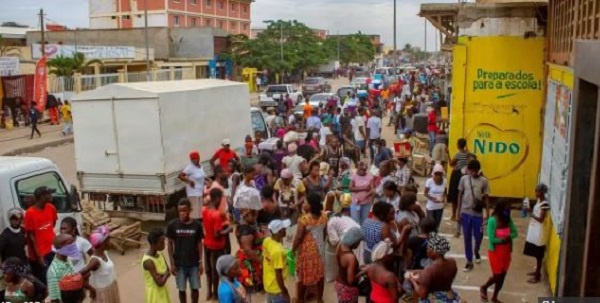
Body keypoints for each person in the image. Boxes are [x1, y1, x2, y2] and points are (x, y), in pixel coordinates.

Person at [167, 198, 204, 303]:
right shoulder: (172, 225)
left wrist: (200, 262)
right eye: (180, 211)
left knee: (195, 289)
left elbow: (199, 243)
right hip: (179, 265)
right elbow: (169, 244)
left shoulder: (197, 225)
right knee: (182, 290)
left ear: (190, 210)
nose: (182, 213)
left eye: (184, 210)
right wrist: (172, 263)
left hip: (194, 264)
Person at [292, 193, 328, 303]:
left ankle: (300, 299)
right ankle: (319, 299)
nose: (303, 204)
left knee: (302, 275)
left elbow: (298, 237)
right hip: (320, 249)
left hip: (307, 252)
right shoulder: (324, 215)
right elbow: (325, 233)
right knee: (320, 274)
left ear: (311, 205)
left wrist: (293, 249)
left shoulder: (304, 219)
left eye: (305, 202)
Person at [481, 200, 518, 303]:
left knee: (503, 276)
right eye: (505, 209)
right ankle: (484, 287)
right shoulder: (492, 221)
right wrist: (503, 240)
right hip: (496, 252)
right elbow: (492, 239)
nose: (507, 212)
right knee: (497, 275)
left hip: (506, 252)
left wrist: (509, 236)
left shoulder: (508, 220)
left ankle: (495, 297)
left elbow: (515, 233)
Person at [457, 159, 490, 272]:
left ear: (478, 170)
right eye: (472, 171)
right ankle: (469, 261)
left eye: (476, 171)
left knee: (479, 236)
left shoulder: (484, 181)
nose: (474, 173)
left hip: (478, 214)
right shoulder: (464, 179)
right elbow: (460, 195)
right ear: (469, 170)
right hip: (466, 213)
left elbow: (486, 198)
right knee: (467, 237)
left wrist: (488, 213)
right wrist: (458, 212)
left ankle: (476, 249)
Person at [408, 233, 461, 302]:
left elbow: (422, 294)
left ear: (435, 252)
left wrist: (413, 280)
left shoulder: (429, 270)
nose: (427, 251)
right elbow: (441, 274)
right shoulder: (452, 262)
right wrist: (420, 271)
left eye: (428, 249)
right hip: (449, 297)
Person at [25, 186, 58, 285]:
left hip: (52, 250)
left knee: (56, 278)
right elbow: (31, 237)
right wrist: (39, 257)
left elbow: (52, 224)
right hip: (40, 255)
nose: (51, 196)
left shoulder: (51, 208)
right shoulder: (30, 213)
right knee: (46, 282)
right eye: (49, 194)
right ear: (42, 196)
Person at [203, 188, 232, 301]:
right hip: (217, 247)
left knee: (209, 270)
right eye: (221, 198)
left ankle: (209, 292)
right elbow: (217, 234)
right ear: (217, 198)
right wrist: (228, 229)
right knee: (216, 272)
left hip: (207, 244)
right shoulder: (216, 214)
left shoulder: (204, 210)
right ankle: (215, 295)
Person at [48, 234, 95, 303]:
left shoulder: (67, 260)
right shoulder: (54, 271)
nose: (74, 246)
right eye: (70, 244)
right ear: (61, 247)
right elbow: (55, 299)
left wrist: (90, 288)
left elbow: (75, 278)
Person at [81, 226, 120, 303]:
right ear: (103, 243)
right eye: (108, 240)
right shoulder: (95, 261)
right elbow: (79, 276)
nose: (110, 242)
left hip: (111, 287)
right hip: (102, 294)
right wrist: (91, 289)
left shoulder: (104, 253)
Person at [524, 184, 550, 284]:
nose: (536, 193)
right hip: (535, 230)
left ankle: (537, 276)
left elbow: (541, 219)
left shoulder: (544, 204)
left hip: (540, 231)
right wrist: (529, 209)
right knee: (535, 253)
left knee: (539, 255)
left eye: (538, 191)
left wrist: (531, 214)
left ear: (542, 192)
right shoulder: (539, 201)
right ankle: (536, 272)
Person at [234, 206, 264, 294]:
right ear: (247, 215)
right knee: (251, 289)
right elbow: (248, 251)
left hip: (249, 258)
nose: (255, 218)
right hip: (250, 262)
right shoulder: (245, 231)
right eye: (254, 216)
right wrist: (262, 262)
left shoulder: (242, 223)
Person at [263, 219, 291, 303]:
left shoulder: (267, 240)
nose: (286, 229)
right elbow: (278, 274)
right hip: (277, 288)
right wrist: (285, 291)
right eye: (284, 228)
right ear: (279, 231)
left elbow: (267, 258)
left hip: (268, 284)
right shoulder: (278, 251)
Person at [335, 227, 363, 303]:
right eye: (359, 242)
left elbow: (341, 265)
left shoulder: (340, 245)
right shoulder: (351, 258)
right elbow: (351, 280)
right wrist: (362, 273)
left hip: (339, 283)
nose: (359, 244)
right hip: (347, 289)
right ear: (354, 241)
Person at [142, 228, 171, 303]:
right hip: (155, 294)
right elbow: (160, 283)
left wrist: (164, 275)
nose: (164, 244)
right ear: (153, 244)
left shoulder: (160, 255)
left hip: (163, 292)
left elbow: (168, 271)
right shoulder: (148, 261)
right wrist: (166, 274)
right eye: (161, 242)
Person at [179, 151, 207, 220]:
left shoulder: (200, 166)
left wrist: (207, 182)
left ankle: (199, 224)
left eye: (196, 158)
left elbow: (202, 176)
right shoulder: (190, 167)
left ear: (199, 158)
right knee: (194, 212)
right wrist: (189, 181)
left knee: (200, 212)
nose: (194, 160)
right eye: (192, 159)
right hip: (193, 193)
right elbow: (180, 176)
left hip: (200, 192)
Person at [424, 164, 447, 231]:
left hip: (439, 207)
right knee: (431, 224)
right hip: (431, 207)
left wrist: (443, 198)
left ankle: (435, 238)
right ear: (433, 174)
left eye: (440, 175)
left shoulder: (445, 181)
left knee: (437, 225)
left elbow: (445, 192)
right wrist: (433, 199)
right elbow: (425, 193)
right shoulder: (429, 181)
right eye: (436, 174)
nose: (438, 177)